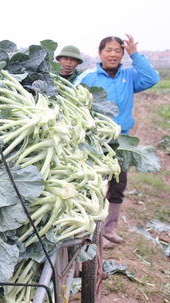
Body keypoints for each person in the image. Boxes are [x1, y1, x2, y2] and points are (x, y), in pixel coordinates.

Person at [74, 34, 160, 249]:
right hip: (95, 139)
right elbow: (73, 102)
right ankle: (90, 230)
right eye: (109, 50)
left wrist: (136, 55)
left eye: (118, 51)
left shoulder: (129, 76)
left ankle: (109, 229)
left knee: (117, 184)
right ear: (100, 53)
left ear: (123, 54)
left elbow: (152, 79)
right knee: (92, 183)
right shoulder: (88, 77)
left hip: (121, 139)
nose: (113, 54)